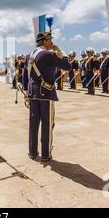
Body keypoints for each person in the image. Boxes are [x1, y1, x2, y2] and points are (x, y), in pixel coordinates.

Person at [23, 32, 71, 162]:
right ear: (44, 41)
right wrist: (63, 53)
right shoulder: (49, 54)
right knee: (47, 124)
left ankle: (32, 151)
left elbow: (24, 77)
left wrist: (27, 93)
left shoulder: (29, 56)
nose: (52, 43)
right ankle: (45, 153)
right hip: (46, 92)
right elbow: (67, 66)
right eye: (50, 40)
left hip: (32, 93)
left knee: (33, 123)